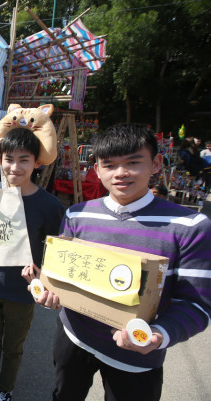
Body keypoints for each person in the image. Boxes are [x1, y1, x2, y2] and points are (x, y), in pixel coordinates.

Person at [34, 124, 211, 401]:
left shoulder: (189, 225)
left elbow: (196, 304)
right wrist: (49, 290)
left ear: (155, 164)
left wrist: (158, 334)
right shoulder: (77, 215)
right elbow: (63, 271)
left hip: (137, 356)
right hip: (73, 336)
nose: (120, 173)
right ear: (96, 170)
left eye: (132, 162)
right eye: (109, 164)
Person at [0, 128, 65, 401]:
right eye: (9, 159)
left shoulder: (49, 205)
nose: (15, 166)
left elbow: (56, 250)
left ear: (37, 163)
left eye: (24, 159)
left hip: (22, 292)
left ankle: (4, 389)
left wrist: (42, 274)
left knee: (13, 345)